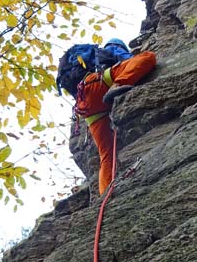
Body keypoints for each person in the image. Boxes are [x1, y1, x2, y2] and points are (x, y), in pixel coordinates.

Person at [67, 39, 156, 194]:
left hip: (85, 104)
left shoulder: (86, 62)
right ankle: (120, 83)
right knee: (148, 57)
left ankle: (105, 194)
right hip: (100, 82)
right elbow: (129, 60)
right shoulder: (113, 49)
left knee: (106, 154)